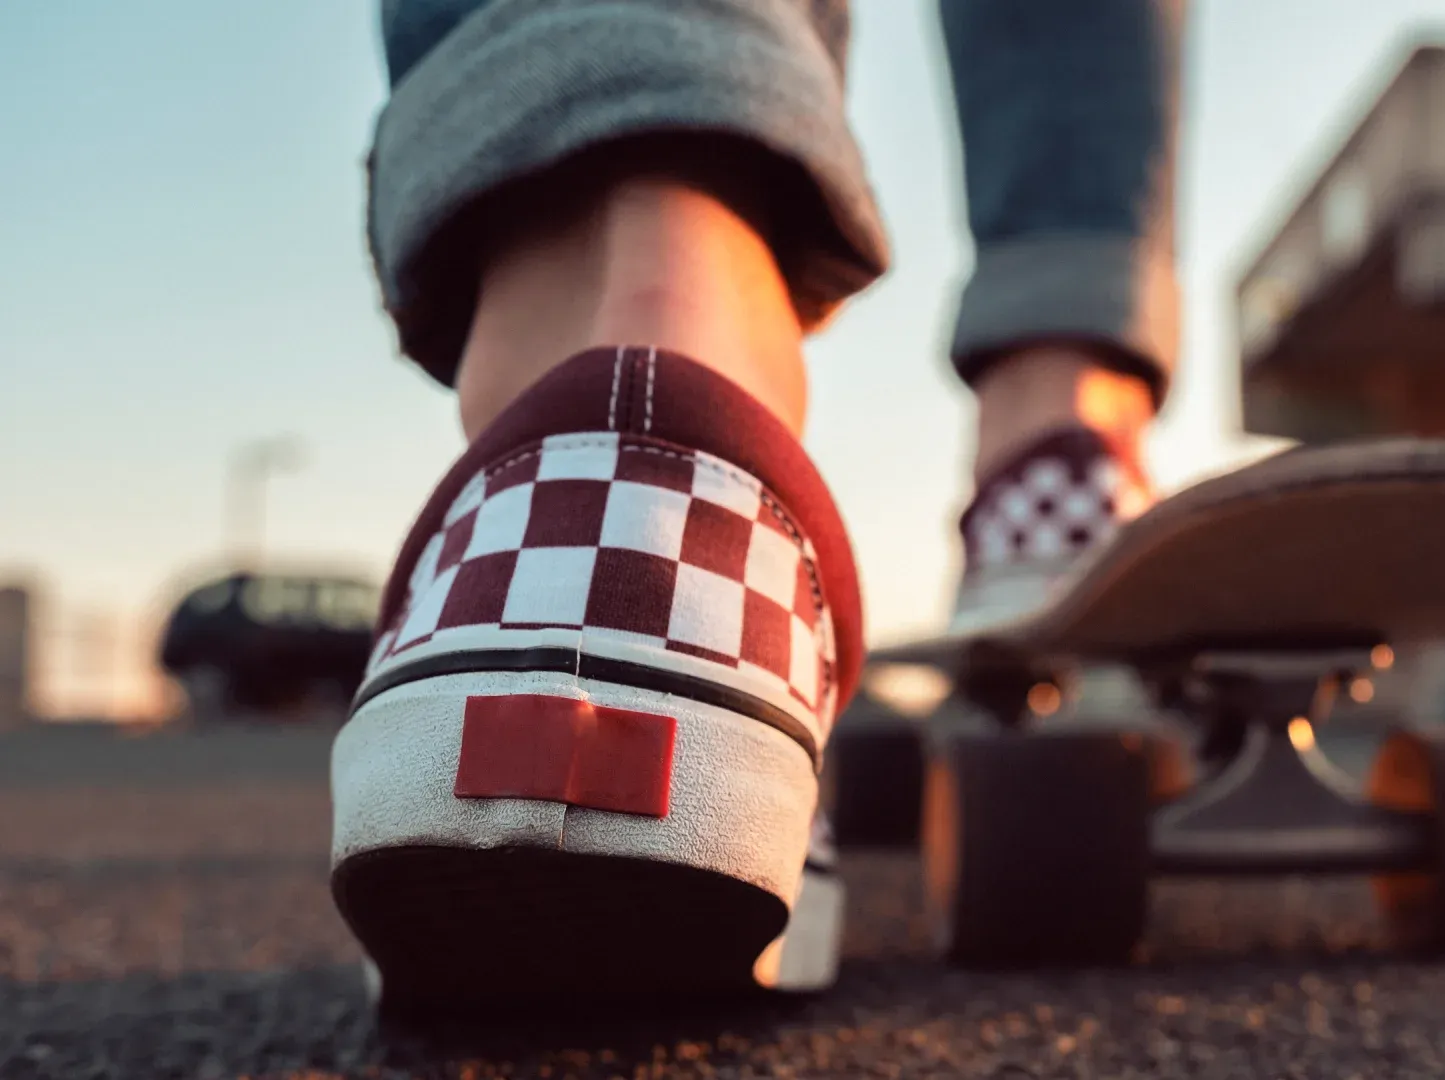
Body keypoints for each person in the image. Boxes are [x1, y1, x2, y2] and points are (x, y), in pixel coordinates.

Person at [332, 0, 1187, 1009]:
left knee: (629, 227)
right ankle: (1054, 443)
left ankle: (604, 364)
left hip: (537, 541)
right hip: (721, 550)